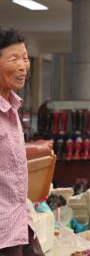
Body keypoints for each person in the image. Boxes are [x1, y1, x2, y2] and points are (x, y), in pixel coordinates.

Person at [0, 28, 44, 255]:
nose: (22, 65)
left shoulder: (13, 107)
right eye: (13, 59)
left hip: (20, 226)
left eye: (25, 58)